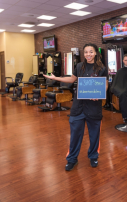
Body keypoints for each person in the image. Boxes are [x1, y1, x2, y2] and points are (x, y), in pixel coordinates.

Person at [43, 43, 108, 171]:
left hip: (94, 107)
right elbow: (72, 79)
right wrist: (56, 78)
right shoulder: (79, 66)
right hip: (78, 106)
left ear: (95, 53)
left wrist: (100, 94)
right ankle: (72, 159)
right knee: (75, 135)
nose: (88, 54)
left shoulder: (101, 68)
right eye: (86, 52)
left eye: (91, 52)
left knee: (94, 135)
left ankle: (93, 156)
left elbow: (105, 85)